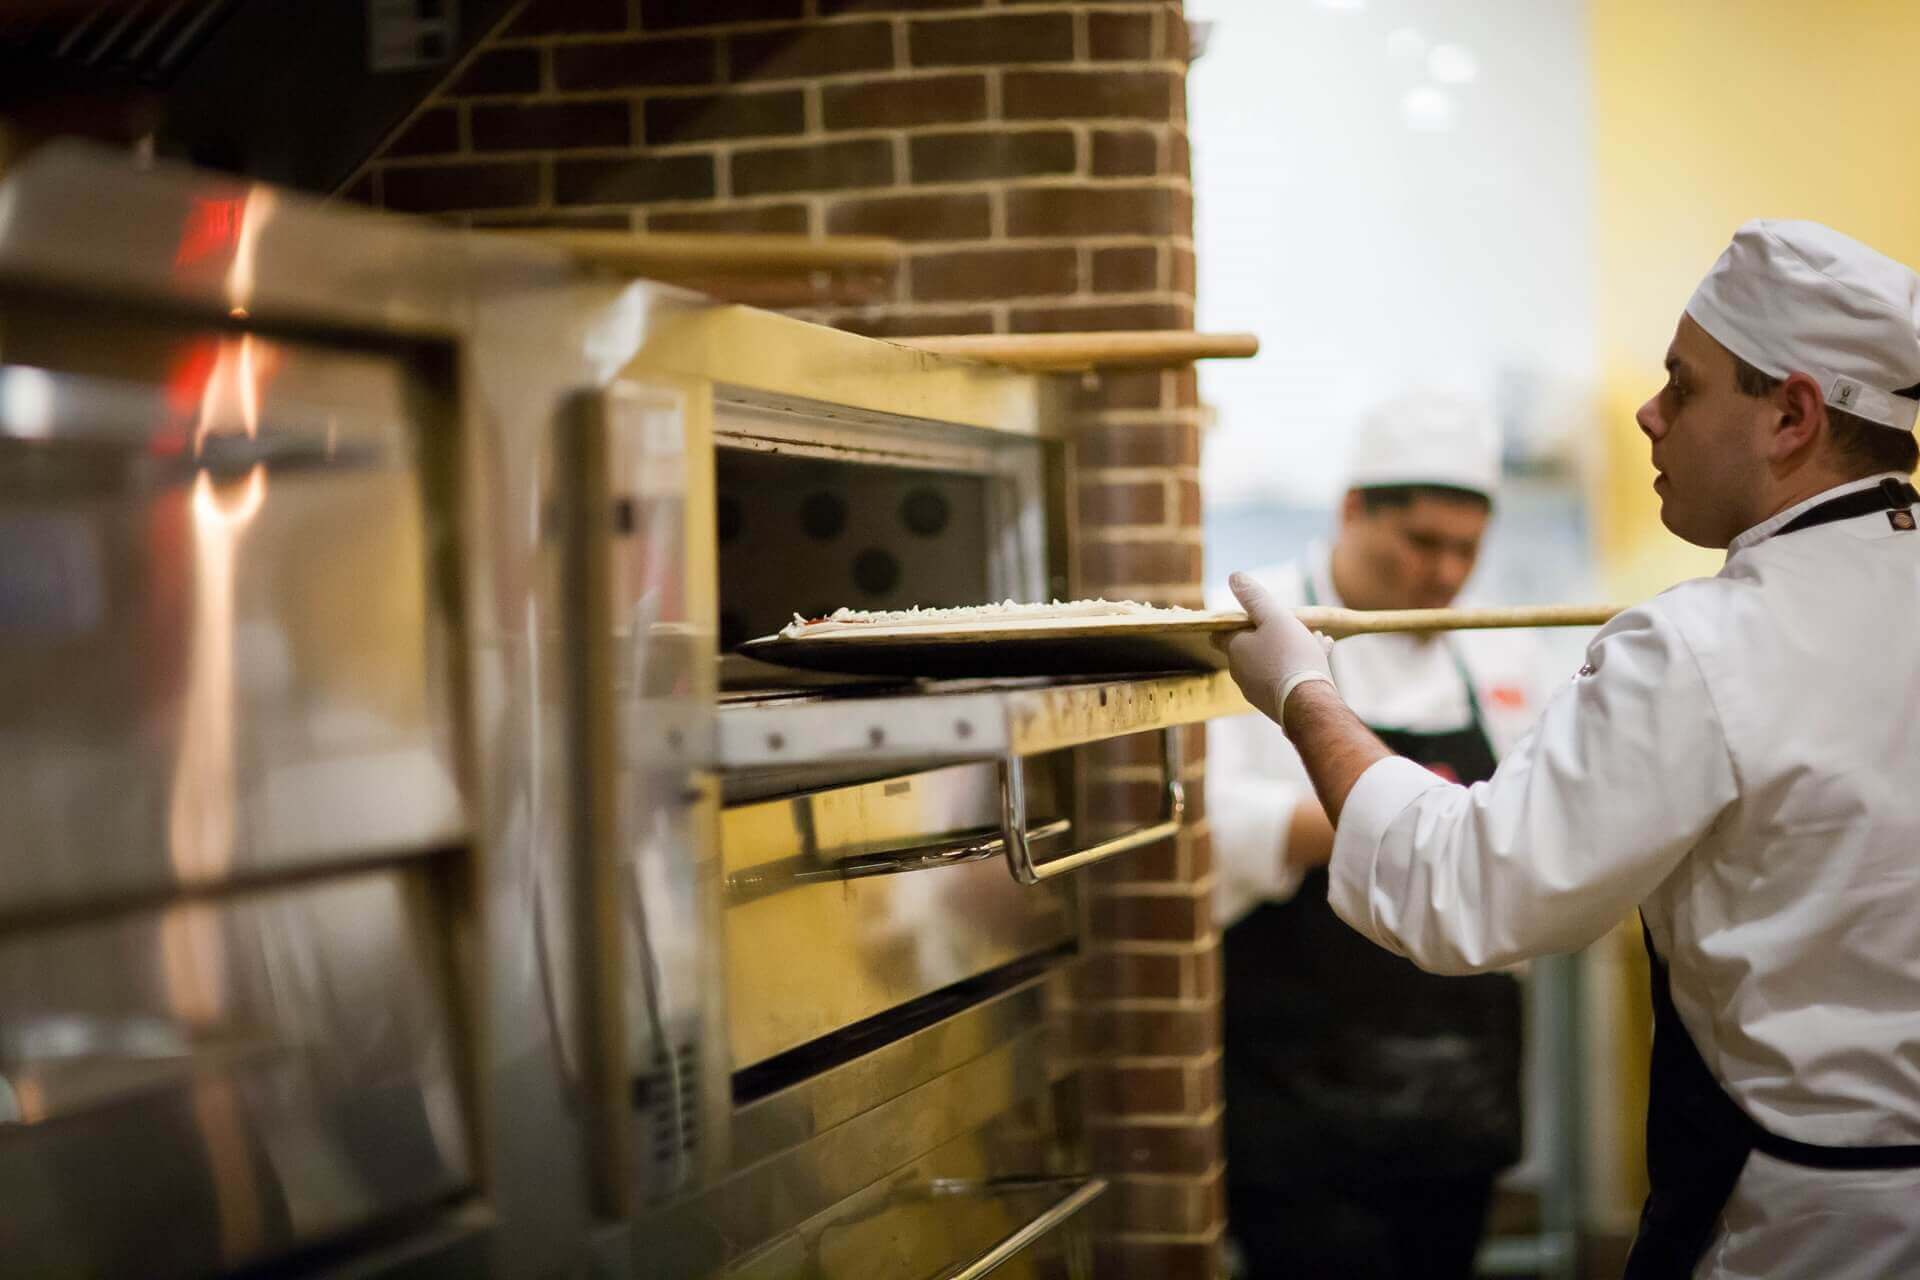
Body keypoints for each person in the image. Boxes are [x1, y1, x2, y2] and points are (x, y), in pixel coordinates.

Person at [1221, 219, 1920, 1280]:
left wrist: (1300, 689)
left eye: (1682, 386)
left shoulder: (1701, 646)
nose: (1647, 413)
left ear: (1792, 415)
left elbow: (1467, 884)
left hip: (1805, 1226)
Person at [1212, 393, 1546, 1279]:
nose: (1445, 575)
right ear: (1354, 508)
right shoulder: (1248, 630)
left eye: (1466, 550)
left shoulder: (1498, 648)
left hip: (1459, 1083)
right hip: (1297, 1084)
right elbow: (1192, 831)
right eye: (1422, 543)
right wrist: (1364, 823)